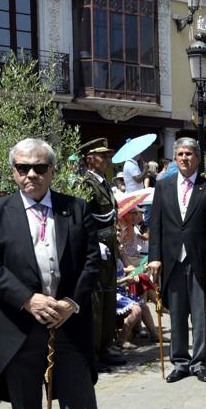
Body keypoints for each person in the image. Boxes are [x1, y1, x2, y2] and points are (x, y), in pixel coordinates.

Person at [0, 138, 112, 409]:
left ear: (52, 170)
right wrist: (28, 300)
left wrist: (71, 302)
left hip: (68, 317)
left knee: (76, 387)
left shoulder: (77, 208)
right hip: (21, 320)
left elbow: (91, 262)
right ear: (14, 172)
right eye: (23, 168)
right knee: (24, 394)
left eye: (39, 167)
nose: (31, 174)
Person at [147, 138, 206, 383]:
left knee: (199, 315)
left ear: (197, 159)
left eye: (189, 154)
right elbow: (155, 224)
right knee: (177, 313)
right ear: (175, 157)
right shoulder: (163, 186)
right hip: (171, 261)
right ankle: (180, 362)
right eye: (180, 154)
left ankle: (200, 362)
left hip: (199, 260)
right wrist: (155, 257)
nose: (184, 158)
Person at [79, 141, 128, 370]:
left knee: (109, 297)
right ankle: (94, 353)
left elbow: (110, 216)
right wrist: (94, 243)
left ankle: (106, 346)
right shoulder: (86, 184)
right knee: (97, 302)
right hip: (97, 248)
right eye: (103, 156)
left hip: (109, 248)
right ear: (90, 160)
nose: (108, 160)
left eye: (109, 156)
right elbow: (85, 220)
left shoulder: (104, 184)